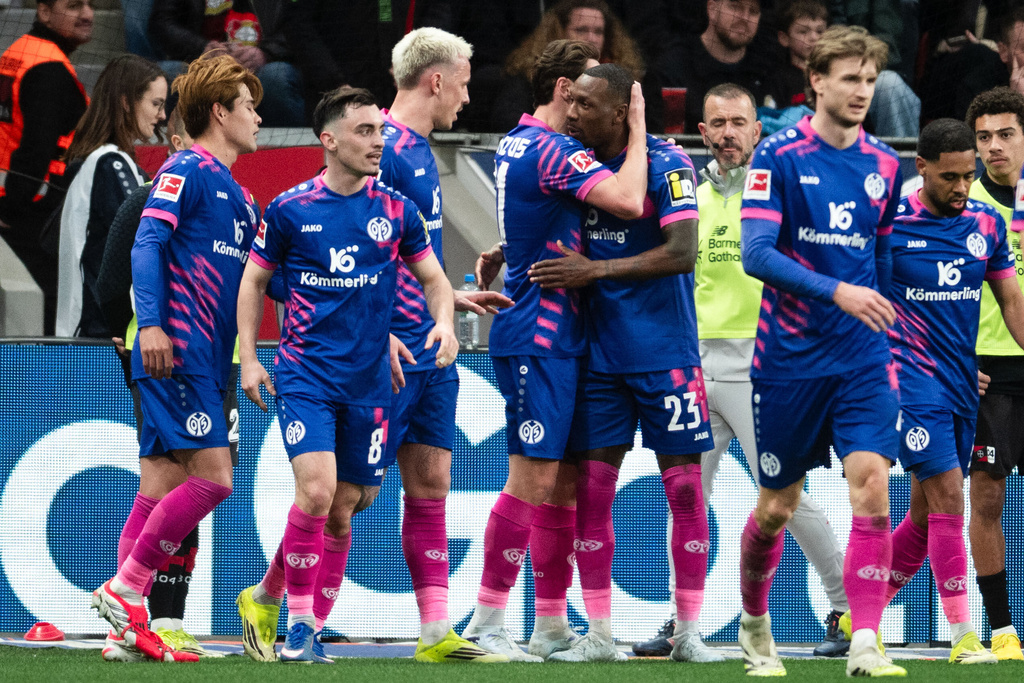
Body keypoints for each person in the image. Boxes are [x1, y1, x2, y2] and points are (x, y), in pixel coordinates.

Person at [234, 86, 465, 664]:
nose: (377, 142)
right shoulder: (290, 209)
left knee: (353, 500)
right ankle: (302, 629)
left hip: (371, 382)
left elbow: (436, 280)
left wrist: (445, 325)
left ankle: (264, 595)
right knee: (316, 493)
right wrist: (251, 357)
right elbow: (253, 283)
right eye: (364, 132)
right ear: (329, 140)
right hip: (306, 375)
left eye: (380, 132)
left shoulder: (395, 211)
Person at [632, 82, 852, 659]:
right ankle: (683, 625)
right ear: (701, 133)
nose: (728, 133)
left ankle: (846, 610)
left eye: (739, 122)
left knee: (789, 498)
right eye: (717, 123)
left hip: (764, 364)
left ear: (760, 130)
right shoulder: (685, 197)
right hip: (694, 365)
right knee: (687, 501)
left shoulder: (783, 192)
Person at [525, 63, 719, 663]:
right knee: (592, 497)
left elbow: (683, 251)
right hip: (598, 356)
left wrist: (596, 272)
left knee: (686, 493)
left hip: (667, 356)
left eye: (583, 104)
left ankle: (688, 633)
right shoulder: (570, 164)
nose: (571, 111)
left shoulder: (668, 164)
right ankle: (601, 636)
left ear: (618, 115)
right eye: (570, 101)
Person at [464, 39, 648, 661]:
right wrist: (641, 128)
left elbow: (535, 218)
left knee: (561, 486)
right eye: (588, 91)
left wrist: (505, 248)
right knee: (533, 478)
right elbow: (627, 201)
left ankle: (548, 625)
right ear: (567, 89)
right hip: (538, 334)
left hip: (556, 334)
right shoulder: (553, 149)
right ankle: (486, 622)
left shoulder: (519, 141)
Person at [737, 26, 905, 677]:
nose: (863, 90)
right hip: (788, 361)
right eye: (850, 78)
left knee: (872, 491)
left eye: (869, 79)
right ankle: (755, 624)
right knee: (777, 507)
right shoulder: (777, 156)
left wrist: (885, 332)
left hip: (862, 359)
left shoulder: (886, 165)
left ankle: (865, 641)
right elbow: (756, 255)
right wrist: (839, 291)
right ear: (817, 81)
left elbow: (882, 260)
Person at [90, 52, 262, 663]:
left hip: (206, 362)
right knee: (213, 478)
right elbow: (146, 243)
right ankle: (126, 590)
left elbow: (261, 283)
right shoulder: (184, 171)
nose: (259, 118)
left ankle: (123, 635)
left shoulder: (242, 200)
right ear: (220, 111)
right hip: (174, 353)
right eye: (249, 106)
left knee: (160, 487)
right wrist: (155, 326)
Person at [376, 27, 513, 662]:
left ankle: (434, 633)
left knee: (432, 480)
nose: (465, 95)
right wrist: (381, 334)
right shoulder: (383, 147)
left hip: (430, 342)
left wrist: (446, 302)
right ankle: (281, 607)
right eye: (461, 81)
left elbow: (408, 258)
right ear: (435, 80)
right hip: (389, 352)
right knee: (349, 495)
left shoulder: (417, 150)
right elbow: (359, 256)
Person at [882, 117, 1019, 665]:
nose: (963, 188)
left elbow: (1010, 300)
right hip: (909, 384)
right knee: (949, 498)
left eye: (970, 175)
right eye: (950, 178)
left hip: (965, 383)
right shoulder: (888, 224)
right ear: (921, 169)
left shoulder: (986, 222)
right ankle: (964, 636)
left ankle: (851, 611)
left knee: (922, 513)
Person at [964, 86, 1024, 661]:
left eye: (1006, 133)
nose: (993, 147)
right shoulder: (967, 208)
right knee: (985, 500)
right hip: (986, 372)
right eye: (984, 137)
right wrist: (958, 360)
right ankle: (1003, 630)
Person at [55, 55, 167, 339]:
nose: (162, 116)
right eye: (156, 104)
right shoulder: (110, 164)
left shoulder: (97, 162)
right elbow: (141, 242)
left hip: (92, 329)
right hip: (102, 334)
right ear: (127, 102)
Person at [0, 0, 92, 334]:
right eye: (74, 5)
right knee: (39, 321)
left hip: (14, 207)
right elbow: (35, 149)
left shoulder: (19, 52)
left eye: (90, 4)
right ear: (44, 12)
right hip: (29, 217)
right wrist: (11, 210)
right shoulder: (49, 68)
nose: (88, 14)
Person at [492, 0, 660, 132]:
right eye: (581, 30)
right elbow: (508, 122)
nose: (591, 38)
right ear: (559, 33)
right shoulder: (529, 78)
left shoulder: (627, 82)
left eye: (598, 32)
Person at [149, 0, 304, 127]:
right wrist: (201, 48)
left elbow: (304, 23)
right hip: (200, 64)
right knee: (166, 75)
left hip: (264, 64)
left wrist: (265, 53)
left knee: (275, 78)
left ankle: (287, 153)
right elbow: (162, 23)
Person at [656, 0, 775, 135]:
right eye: (735, 7)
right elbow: (668, 142)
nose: (744, 18)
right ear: (712, 9)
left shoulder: (768, 68)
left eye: (753, 11)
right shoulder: (674, 68)